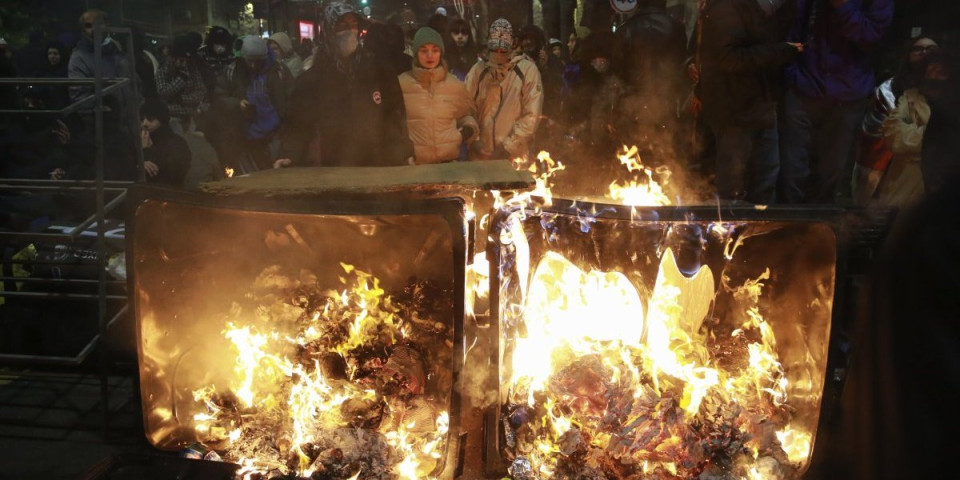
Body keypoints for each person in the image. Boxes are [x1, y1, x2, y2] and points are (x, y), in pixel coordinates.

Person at [778, 0, 894, 203]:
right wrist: (792, 76)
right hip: (803, 89)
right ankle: (788, 229)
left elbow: (871, 36)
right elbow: (791, 29)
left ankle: (820, 230)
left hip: (848, 95)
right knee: (791, 171)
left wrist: (842, 5)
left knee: (832, 174)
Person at [277, 1, 413, 167]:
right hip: (331, 169)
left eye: (354, 24)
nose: (350, 31)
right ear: (328, 30)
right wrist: (289, 154)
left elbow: (394, 117)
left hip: (376, 166)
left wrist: (403, 152)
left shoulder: (379, 72)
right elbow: (298, 124)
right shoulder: (312, 79)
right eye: (342, 25)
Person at [695, 0, 801, 203]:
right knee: (733, 187)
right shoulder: (727, 7)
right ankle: (728, 232)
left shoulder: (766, 9)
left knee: (765, 181)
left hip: (762, 104)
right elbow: (729, 57)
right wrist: (781, 51)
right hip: (734, 109)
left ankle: (759, 232)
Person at [854, 36, 938, 207]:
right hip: (898, 175)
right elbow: (898, 138)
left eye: (931, 49)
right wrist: (940, 137)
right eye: (918, 49)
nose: (925, 54)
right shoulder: (899, 94)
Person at [465, 19, 543, 160]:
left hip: (515, 158)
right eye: (495, 50)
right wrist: (474, 140)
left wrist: (508, 147)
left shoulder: (527, 71)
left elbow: (532, 114)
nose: (499, 54)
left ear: (512, 45)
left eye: (503, 50)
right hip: (482, 156)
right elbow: (466, 108)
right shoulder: (478, 71)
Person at [399, 27, 478, 164]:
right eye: (424, 51)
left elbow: (466, 115)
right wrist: (403, 154)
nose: (430, 55)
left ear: (441, 53)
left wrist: (466, 130)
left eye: (435, 50)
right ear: (416, 53)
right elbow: (393, 124)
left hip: (448, 165)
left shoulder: (454, 84)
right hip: (414, 166)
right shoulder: (402, 83)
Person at [217, 35, 293, 171]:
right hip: (245, 137)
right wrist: (236, 104)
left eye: (257, 61)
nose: (253, 65)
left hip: (275, 137)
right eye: (249, 61)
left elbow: (291, 101)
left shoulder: (279, 71)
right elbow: (219, 96)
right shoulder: (233, 71)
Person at [156, 34, 209, 132]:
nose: (184, 63)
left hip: (191, 116)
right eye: (181, 60)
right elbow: (162, 92)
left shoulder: (192, 68)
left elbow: (201, 91)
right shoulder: (163, 70)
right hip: (172, 117)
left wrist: (182, 99)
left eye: (187, 60)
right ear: (173, 57)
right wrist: (181, 79)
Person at [139, 98, 191, 187]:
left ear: (162, 120)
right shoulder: (138, 143)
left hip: (170, 195)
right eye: (142, 119)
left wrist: (146, 152)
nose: (145, 123)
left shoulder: (176, 144)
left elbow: (168, 176)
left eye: (150, 119)